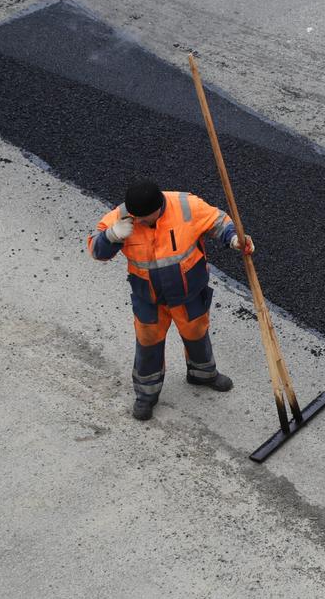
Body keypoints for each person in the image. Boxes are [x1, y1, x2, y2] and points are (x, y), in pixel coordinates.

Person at [87, 179, 253, 420]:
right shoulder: (122, 217)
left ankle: (202, 374)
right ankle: (146, 395)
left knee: (197, 333)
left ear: (159, 206)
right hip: (149, 298)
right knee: (148, 343)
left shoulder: (186, 206)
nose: (139, 223)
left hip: (189, 294)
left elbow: (219, 222)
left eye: (145, 218)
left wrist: (234, 238)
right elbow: (96, 251)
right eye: (137, 218)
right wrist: (112, 236)